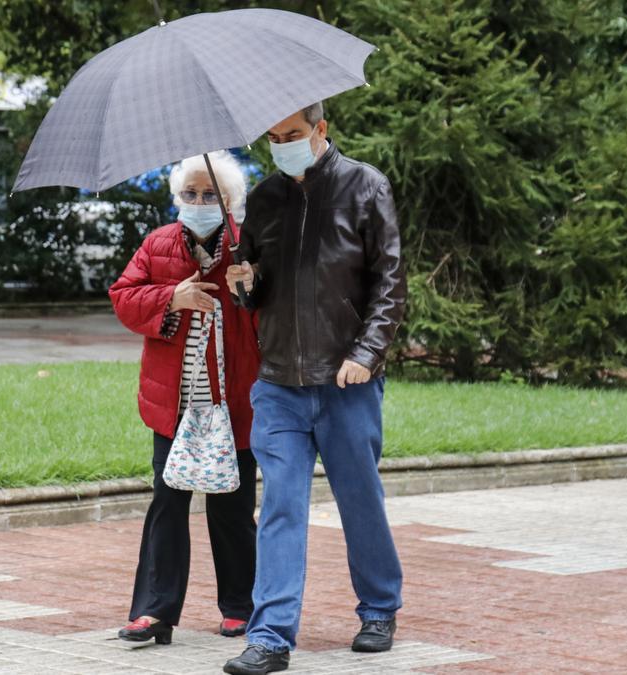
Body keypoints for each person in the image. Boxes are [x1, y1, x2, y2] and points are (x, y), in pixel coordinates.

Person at [221, 102, 407, 675]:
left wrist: (367, 353)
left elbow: (391, 285)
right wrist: (242, 282)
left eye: (293, 134)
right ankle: (271, 636)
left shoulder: (365, 188)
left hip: (346, 381)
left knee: (359, 500)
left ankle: (379, 608)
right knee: (279, 506)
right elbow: (255, 288)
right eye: (273, 137)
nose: (283, 145)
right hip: (278, 383)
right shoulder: (266, 199)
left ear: (320, 129)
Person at [109, 150, 261, 645]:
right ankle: (155, 612)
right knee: (167, 504)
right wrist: (171, 297)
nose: (199, 201)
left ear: (231, 201)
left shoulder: (248, 246)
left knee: (232, 508)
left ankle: (241, 606)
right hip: (174, 409)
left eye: (209, 193)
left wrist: (250, 290)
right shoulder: (158, 245)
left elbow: (271, 313)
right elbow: (124, 298)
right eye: (190, 194)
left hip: (234, 403)